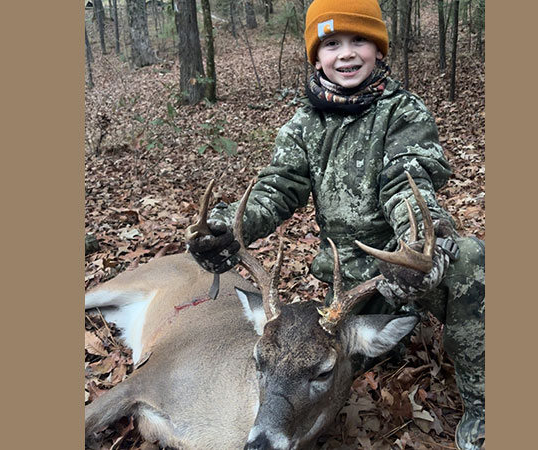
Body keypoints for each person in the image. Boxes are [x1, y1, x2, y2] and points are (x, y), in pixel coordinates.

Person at [185, 1, 484, 448]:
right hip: (344, 286)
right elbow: (278, 187)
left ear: (379, 50)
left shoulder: (404, 114)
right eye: (331, 44)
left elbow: (407, 184)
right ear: (316, 56)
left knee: (470, 261)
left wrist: (421, 243)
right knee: (301, 361)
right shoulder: (304, 123)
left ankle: (481, 406)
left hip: (400, 268)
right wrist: (226, 225)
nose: (346, 54)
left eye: (359, 40)